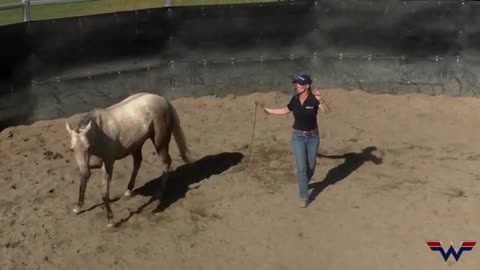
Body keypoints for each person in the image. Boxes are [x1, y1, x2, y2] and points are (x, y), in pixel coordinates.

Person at [262, 74, 331, 208]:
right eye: (297, 84)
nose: (297, 86)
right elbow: (285, 110)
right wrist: (268, 110)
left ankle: (303, 183)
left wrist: (321, 101)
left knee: (310, 168)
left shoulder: (314, 100)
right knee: (302, 168)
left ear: (307, 86)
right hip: (298, 137)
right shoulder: (294, 99)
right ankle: (304, 196)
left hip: (313, 137)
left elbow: (327, 111)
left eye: (300, 84)